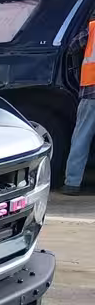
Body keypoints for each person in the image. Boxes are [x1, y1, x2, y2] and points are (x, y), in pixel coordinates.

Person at [60, 18, 95, 195]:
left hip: (91, 92)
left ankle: (72, 184)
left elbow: (72, 47)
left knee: (81, 138)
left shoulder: (92, 28)